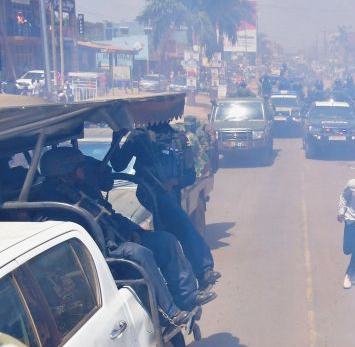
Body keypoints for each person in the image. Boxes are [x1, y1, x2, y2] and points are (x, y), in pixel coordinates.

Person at [34, 148, 212, 325]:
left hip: (118, 237)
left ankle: (188, 296)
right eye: (80, 167)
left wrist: (135, 231)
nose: (84, 171)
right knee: (140, 254)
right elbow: (80, 233)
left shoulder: (82, 189)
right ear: (66, 172)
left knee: (166, 240)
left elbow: (109, 215)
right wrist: (117, 240)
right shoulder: (51, 201)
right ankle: (169, 312)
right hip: (97, 248)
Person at [111, 126, 221, 289]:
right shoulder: (139, 137)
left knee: (169, 238)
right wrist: (116, 138)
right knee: (184, 226)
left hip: (172, 194)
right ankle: (203, 271)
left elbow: (190, 175)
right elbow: (119, 165)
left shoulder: (180, 138)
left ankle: (181, 285)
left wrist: (174, 182)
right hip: (150, 192)